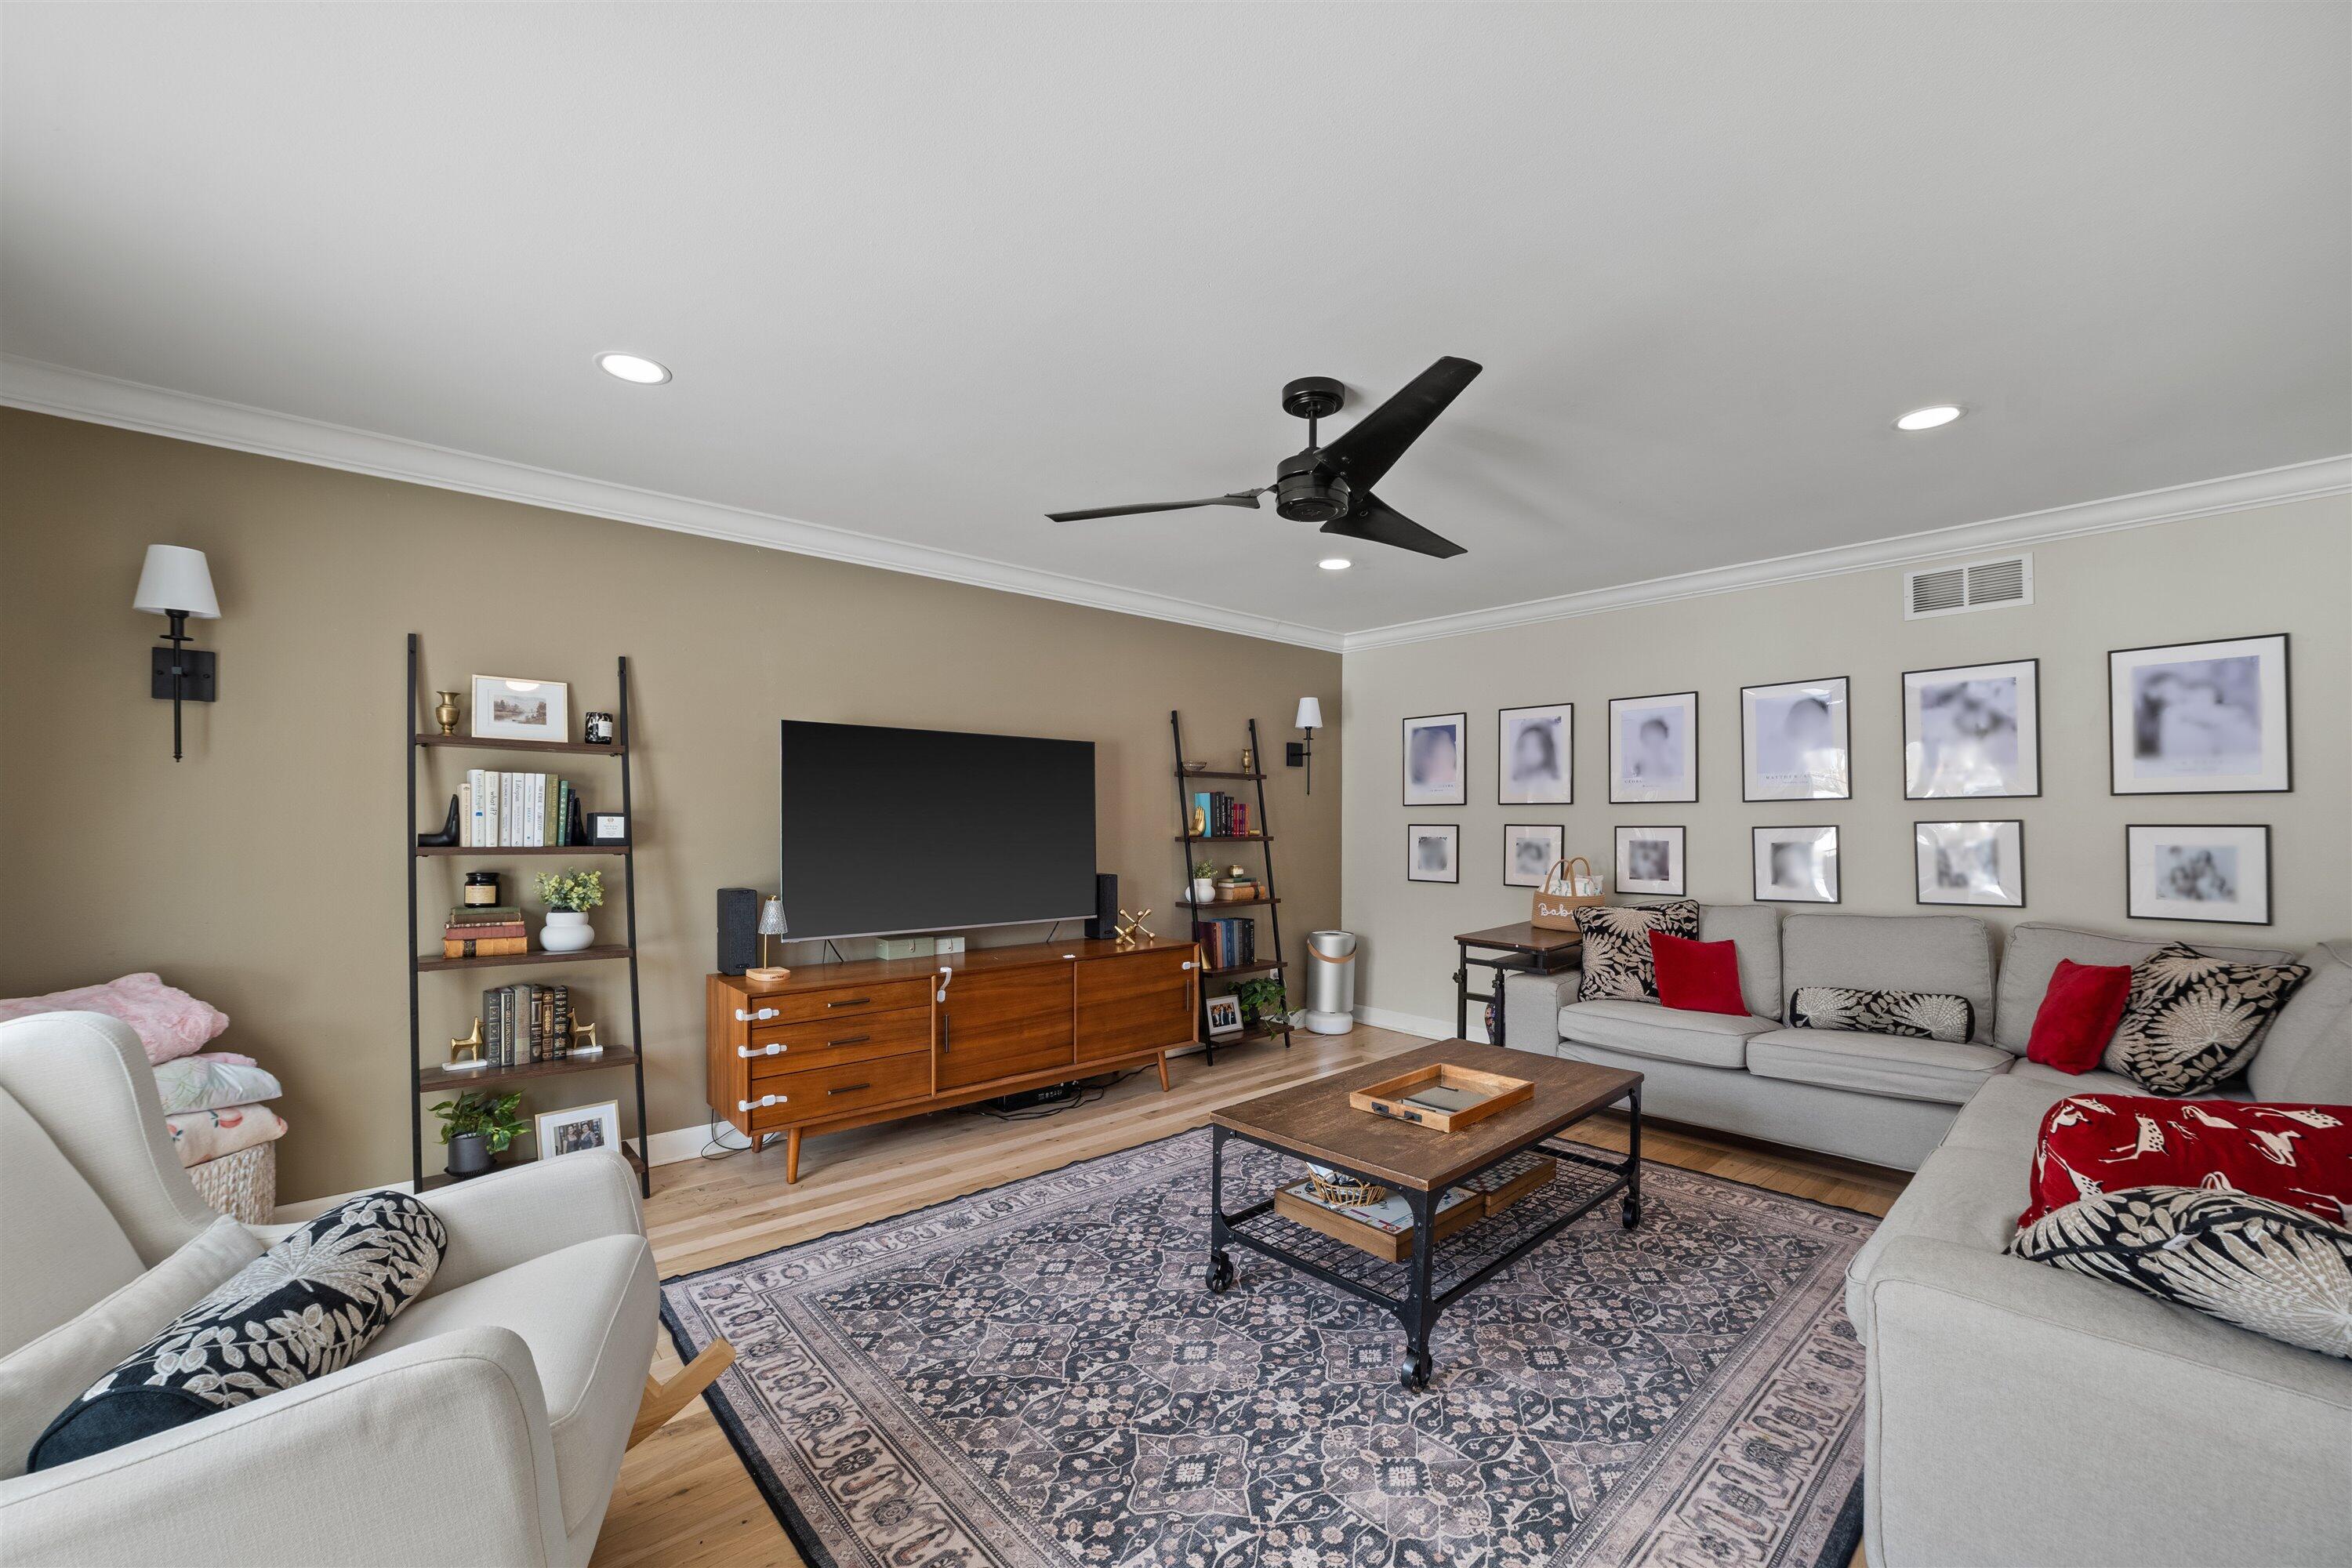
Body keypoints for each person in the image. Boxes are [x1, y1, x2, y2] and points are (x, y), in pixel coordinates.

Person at [1627, 713, 1681, 783]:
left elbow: (1675, 774)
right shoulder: (1640, 757)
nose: (1654, 738)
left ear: (1665, 735)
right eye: (1650, 735)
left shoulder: (1671, 754)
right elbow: (1635, 775)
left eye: (1658, 734)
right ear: (1644, 738)